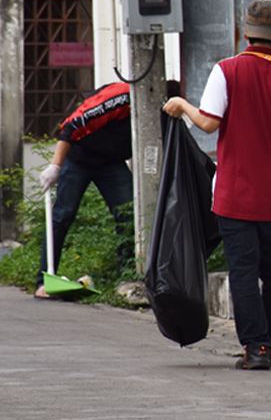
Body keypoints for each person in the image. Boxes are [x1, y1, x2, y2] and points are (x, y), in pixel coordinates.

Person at [163, 0, 271, 370]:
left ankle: (255, 347)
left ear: (245, 33)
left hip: (234, 194)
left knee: (243, 270)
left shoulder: (227, 70)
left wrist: (181, 105)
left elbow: (207, 123)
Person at [35, 79, 182, 299]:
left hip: (110, 163)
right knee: (62, 215)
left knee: (129, 213)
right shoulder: (121, 97)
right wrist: (55, 165)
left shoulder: (163, 114)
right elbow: (71, 125)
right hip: (79, 157)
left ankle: (127, 274)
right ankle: (44, 281)